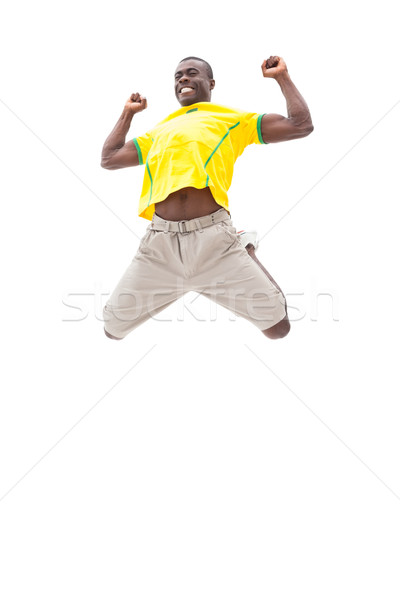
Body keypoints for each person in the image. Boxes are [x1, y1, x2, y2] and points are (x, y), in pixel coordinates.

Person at [101, 55, 313, 341]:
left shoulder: (232, 119)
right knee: (113, 329)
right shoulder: (157, 132)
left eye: (191, 73)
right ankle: (188, 278)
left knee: (278, 328)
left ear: (210, 83)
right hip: (159, 247)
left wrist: (281, 77)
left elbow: (300, 125)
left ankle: (245, 250)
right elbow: (109, 158)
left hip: (215, 242)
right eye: (177, 77)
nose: (183, 79)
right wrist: (128, 113)